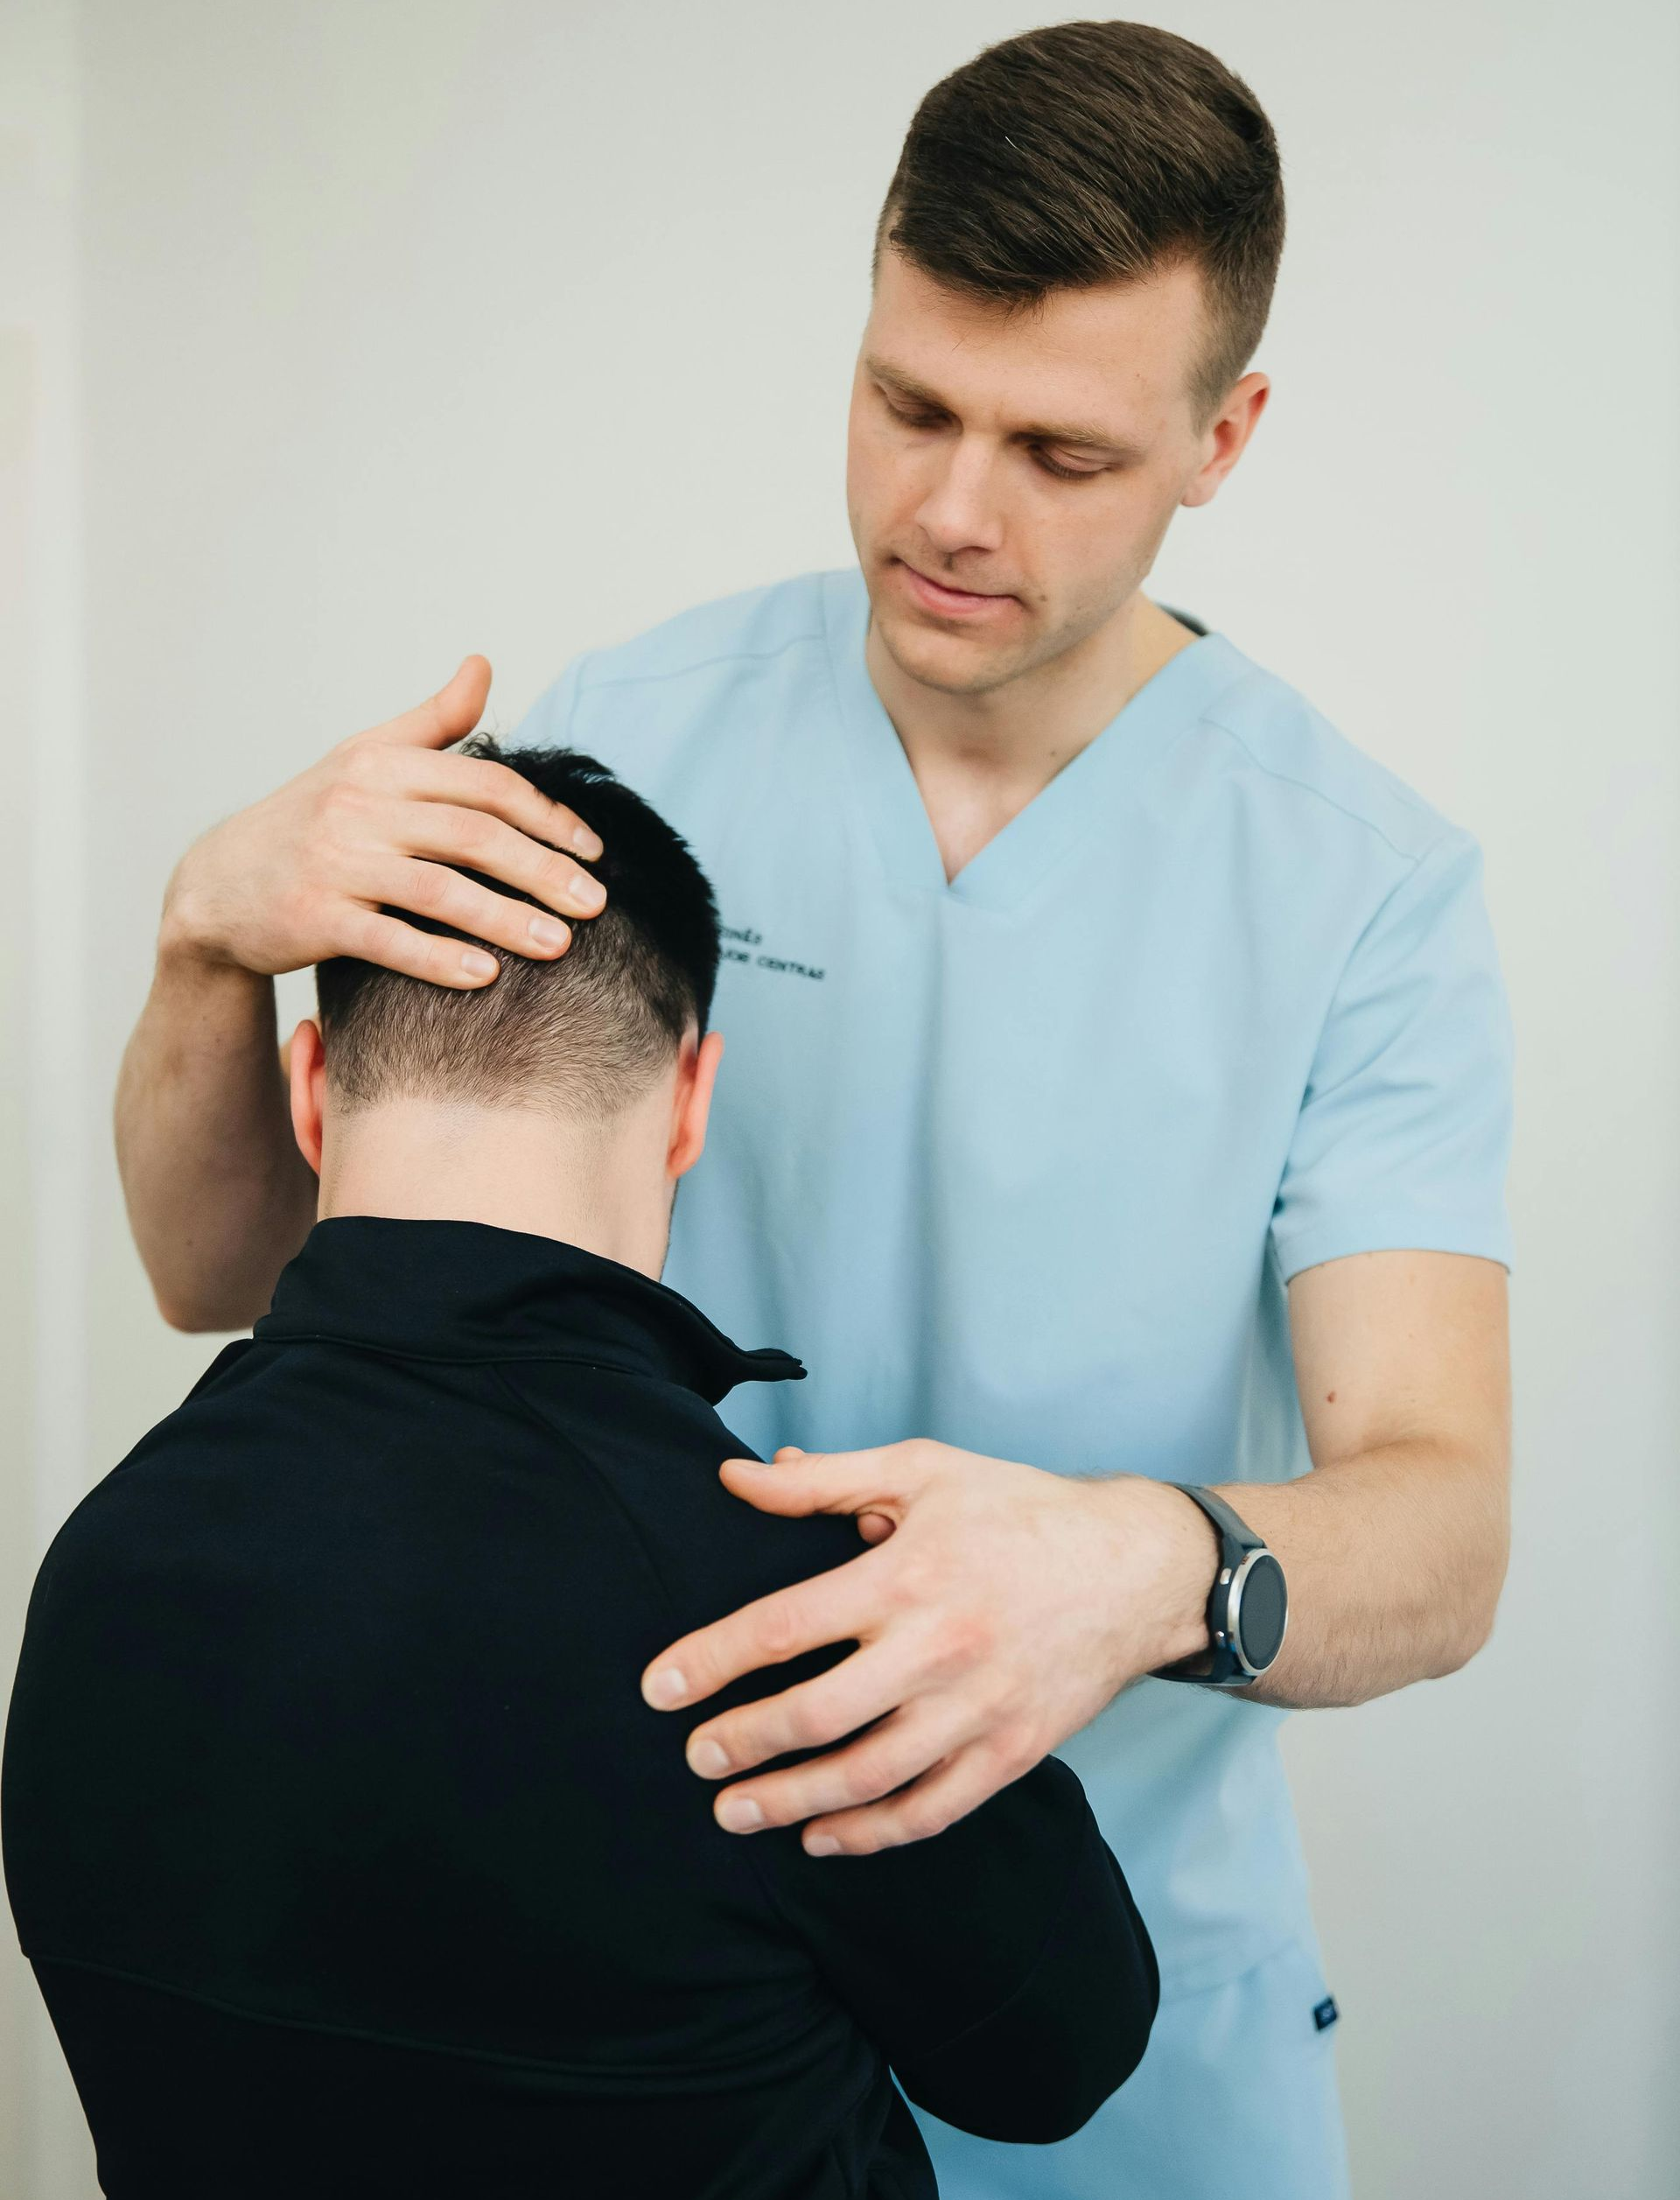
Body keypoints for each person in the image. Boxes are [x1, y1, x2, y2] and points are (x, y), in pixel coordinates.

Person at [110, 22, 1514, 2200]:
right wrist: (206, 936)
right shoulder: (631, 738)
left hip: (1131, 2026)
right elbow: (228, 1273)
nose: (950, 512)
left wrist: (1141, 1568)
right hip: (664, 2005)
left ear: (1224, 437)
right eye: (908, 404)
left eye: (1059, 451)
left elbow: (1439, 1529)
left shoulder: (1359, 885)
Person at [3, 745, 1158, 2200]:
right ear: (690, 1100)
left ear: (309, 1092)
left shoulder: (100, 1562)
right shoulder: (787, 1625)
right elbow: (1062, 2054)